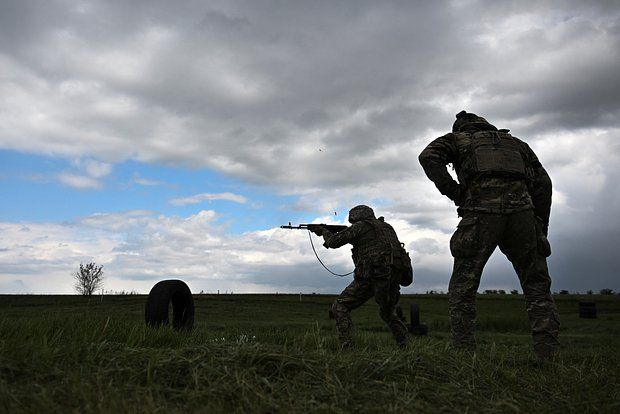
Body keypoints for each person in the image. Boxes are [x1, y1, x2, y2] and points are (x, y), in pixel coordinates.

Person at [418, 110, 560, 359]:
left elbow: (428, 156)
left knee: (463, 286)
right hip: (523, 215)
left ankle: (464, 354)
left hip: (480, 213)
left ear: (461, 128)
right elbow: (543, 183)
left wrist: (455, 192)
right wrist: (540, 226)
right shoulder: (517, 144)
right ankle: (547, 354)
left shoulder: (457, 139)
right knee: (537, 285)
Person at [310, 205, 412, 349]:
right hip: (392, 275)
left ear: (357, 216)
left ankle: (347, 348)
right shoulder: (387, 227)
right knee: (388, 313)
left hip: (371, 275)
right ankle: (406, 346)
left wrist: (324, 231)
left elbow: (333, 242)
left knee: (340, 306)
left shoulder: (361, 226)